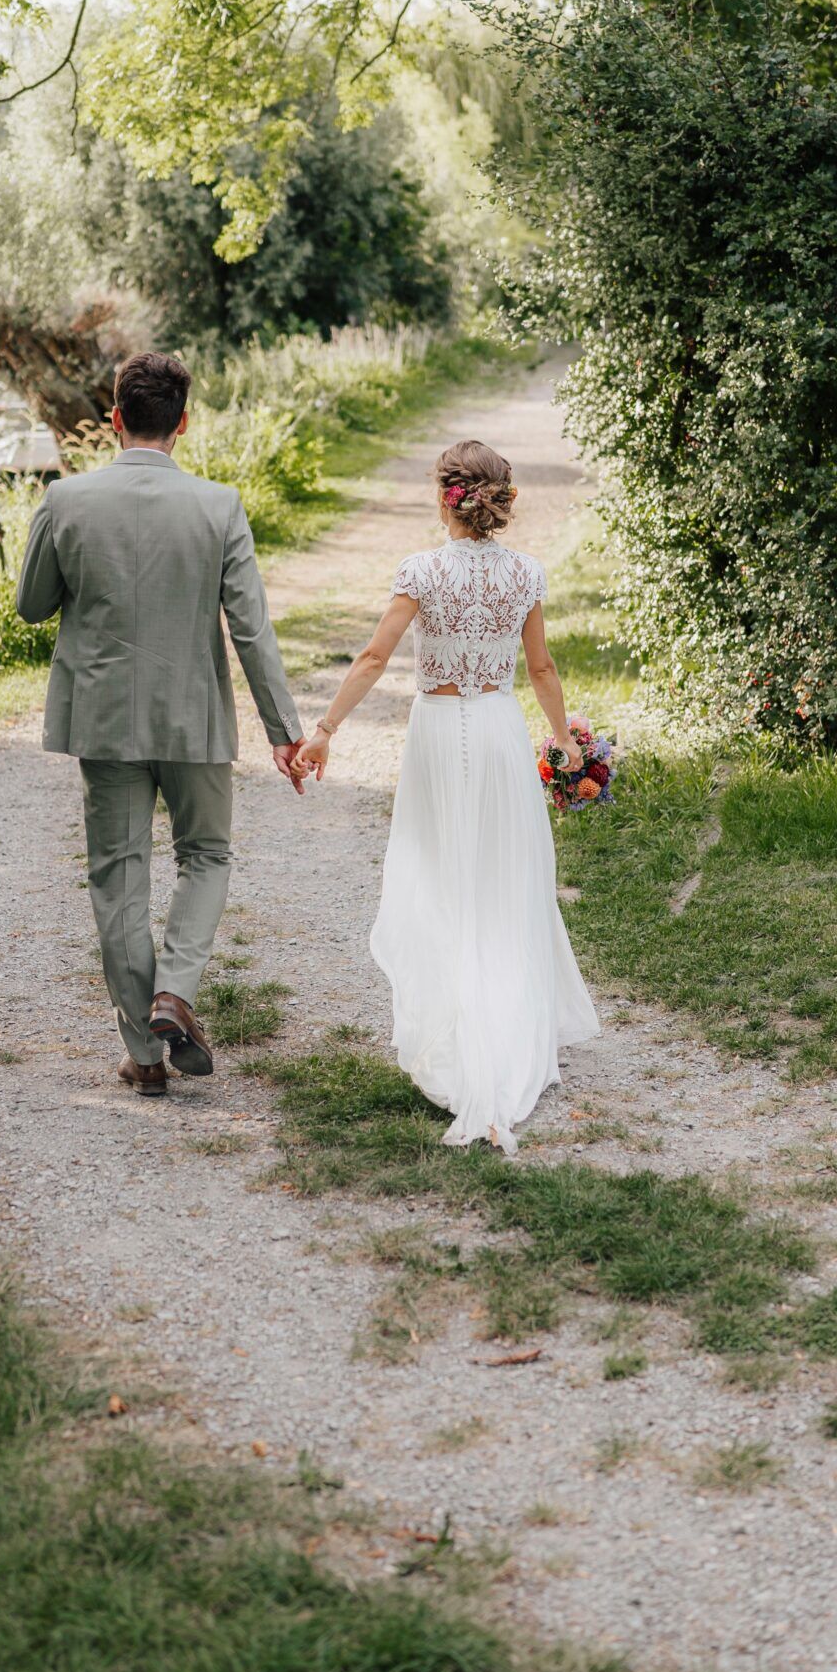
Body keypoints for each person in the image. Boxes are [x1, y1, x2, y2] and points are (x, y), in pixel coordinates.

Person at [294, 438, 599, 1153]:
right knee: (502, 881)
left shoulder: (421, 571)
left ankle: (458, 1031)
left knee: (441, 878)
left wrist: (325, 730)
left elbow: (375, 656)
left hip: (437, 729)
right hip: (496, 727)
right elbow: (541, 667)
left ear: (445, 497)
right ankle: (507, 1027)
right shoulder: (525, 573)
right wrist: (564, 739)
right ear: (500, 501)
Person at [17, 350, 304, 1096]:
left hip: (104, 717)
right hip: (193, 717)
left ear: (114, 418)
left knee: (118, 874)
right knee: (205, 853)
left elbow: (31, 605)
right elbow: (250, 628)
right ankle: (174, 992)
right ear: (183, 424)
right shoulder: (219, 506)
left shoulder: (64, 500)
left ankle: (145, 1054)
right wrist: (282, 729)